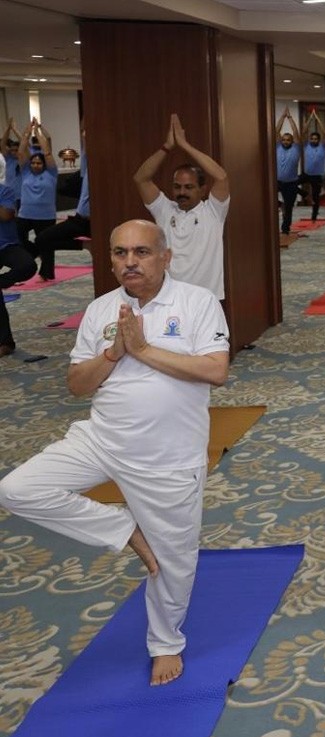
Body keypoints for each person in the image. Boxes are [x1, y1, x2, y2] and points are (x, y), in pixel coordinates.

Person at [0, 218, 230, 684]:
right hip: (101, 439)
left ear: (165, 256)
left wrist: (141, 349)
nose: (130, 262)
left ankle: (165, 643)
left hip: (168, 458)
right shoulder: (100, 309)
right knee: (16, 489)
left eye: (141, 252)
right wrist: (111, 354)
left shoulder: (197, 302)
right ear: (109, 260)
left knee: (173, 564)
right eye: (121, 253)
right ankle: (124, 530)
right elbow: (76, 385)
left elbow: (215, 370)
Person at [135, 114, 231, 300]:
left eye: (189, 187)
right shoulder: (165, 210)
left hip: (206, 297)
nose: (182, 192)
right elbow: (141, 179)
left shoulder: (213, 211)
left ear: (202, 189)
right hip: (170, 297)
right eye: (177, 187)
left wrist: (185, 145)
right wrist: (167, 147)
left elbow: (221, 177)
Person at [34, 121, 92, 270]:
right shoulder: (86, 169)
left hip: (97, 222)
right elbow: (85, 144)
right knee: (42, 239)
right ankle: (86, 245)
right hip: (80, 220)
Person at [16, 118, 59, 281]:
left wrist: (37, 131)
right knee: (17, 238)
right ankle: (34, 252)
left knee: (47, 243)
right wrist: (27, 133)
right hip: (25, 214)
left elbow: (47, 152)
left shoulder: (51, 173)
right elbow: (21, 152)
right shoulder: (26, 172)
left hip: (45, 216)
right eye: (33, 163)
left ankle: (45, 273)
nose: (35, 165)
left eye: (38, 163)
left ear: (44, 164)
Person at [0, 181, 36, 357]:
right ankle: (5, 342)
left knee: (28, 266)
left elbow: (6, 215)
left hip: (7, 246)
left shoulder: (5, 191)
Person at [275, 109, 302, 235]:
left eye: (288, 140)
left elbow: (296, 133)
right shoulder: (278, 147)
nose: (285, 141)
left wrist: (290, 118)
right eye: (284, 140)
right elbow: (276, 131)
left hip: (291, 183)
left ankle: (285, 228)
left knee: (288, 207)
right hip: (277, 182)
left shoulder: (296, 148)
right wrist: (282, 117)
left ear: (292, 141)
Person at [300, 111, 325, 221]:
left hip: (317, 176)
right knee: (291, 183)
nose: (313, 140)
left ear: (318, 140)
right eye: (312, 139)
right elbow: (303, 133)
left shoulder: (323, 147)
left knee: (316, 197)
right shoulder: (306, 145)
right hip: (306, 174)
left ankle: (314, 217)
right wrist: (310, 119)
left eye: (315, 139)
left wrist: (318, 119)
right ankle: (305, 194)